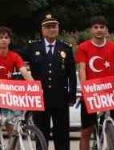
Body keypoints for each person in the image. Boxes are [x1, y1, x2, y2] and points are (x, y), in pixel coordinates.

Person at [23, 14, 74, 150]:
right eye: (48, 27)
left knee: (62, 134)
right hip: (40, 98)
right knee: (41, 133)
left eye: (54, 27)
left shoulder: (65, 48)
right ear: (42, 30)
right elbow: (18, 61)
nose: (51, 29)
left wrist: (72, 95)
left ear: (58, 29)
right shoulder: (33, 47)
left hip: (60, 98)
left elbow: (71, 75)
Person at [76, 16, 114, 150]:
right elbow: (82, 69)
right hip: (91, 92)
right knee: (86, 131)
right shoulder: (83, 47)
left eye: (102, 27)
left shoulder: (113, 47)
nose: (99, 30)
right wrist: (85, 89)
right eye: (96, 27)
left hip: (110, 92)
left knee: (110, 127)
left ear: (106, 30)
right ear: (91, 30)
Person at [0, 27, 32, 150]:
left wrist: (34, 86)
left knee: (13, 128)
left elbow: (24, 72)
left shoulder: (14, 56)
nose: (4, 40)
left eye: (6, 38)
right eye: (1, 37)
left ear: (10, 40)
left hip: (9, 95)